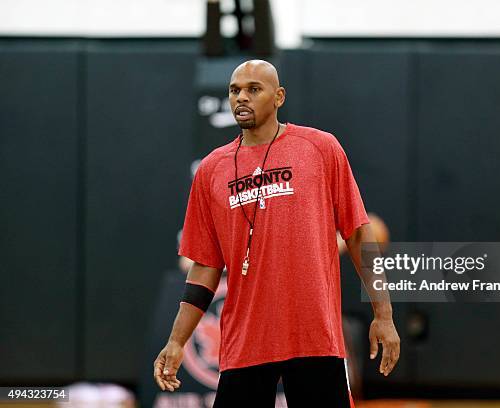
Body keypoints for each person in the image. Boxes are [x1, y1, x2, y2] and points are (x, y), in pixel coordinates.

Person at [153, 60, 400, 407]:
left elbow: (359, 235)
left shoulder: (321, 148)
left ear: (279, 96)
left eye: (254, 89)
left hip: (314, 336)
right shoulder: (211, 170)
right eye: (235, 90)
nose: (241, 97)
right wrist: (177, 341)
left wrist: (384, 316)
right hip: (246, 341)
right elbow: (204, 268)